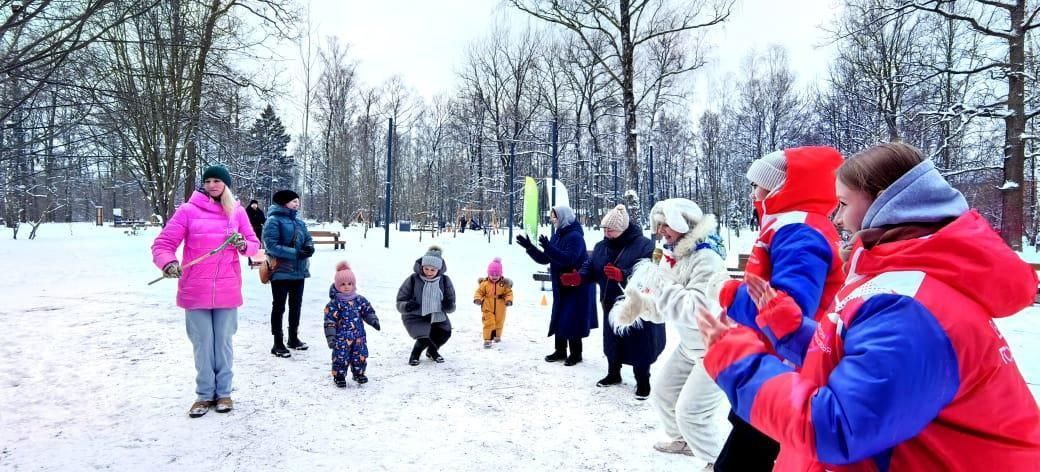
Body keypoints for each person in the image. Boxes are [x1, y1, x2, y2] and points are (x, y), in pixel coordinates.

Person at [699, 142, 1040, 471]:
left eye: (844, 204)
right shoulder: (904, 279)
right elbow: (860, 360)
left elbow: (837, 426)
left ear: (882, 202)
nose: (837, 217)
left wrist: (737, 360)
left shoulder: (908, 310)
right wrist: (789, 326)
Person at [713, 146, 846, 471]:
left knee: (744, 458)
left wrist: (732, 296)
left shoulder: (799, 231)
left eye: (758, 186)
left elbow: (789, 307)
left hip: (786, 366)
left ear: (780, 188)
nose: (752, 194)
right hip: (776, 360)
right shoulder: (789, 225)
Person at [608, 198, 728, 468]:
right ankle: (682, 441)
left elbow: (697, 310)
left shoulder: (706, 258)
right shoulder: (673, 254)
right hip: (690, 345)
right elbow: (664, 308)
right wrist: (641, 306)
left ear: (684, 223)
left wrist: (662, 286)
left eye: (666, 224)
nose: (661, 230)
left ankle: (718, 462)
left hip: (717, 347)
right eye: (658, 224)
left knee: (691, 412)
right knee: (662, 393)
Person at [151, 165, 260, 418]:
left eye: (217, 181)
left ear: (226, 185)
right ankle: (203, 396)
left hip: (227, 288)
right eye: (208, 180)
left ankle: (223, 393)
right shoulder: (188, 211)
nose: (212, 185)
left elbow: (253, 244)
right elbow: (164, 243)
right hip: (195, 289)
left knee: (222, 342)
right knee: (203, 343)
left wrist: (244, 244)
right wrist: (168, 262)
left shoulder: (238, 212)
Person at [581, 204, 665, 399]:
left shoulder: (644, 245)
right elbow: (591, 266)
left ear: (622, 229)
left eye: (610, 229)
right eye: (604, 229)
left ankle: (643, 381)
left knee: (639, 344)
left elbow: (649, 274)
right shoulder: (602, 246)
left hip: (636, 305)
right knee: (612, 341)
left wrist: (623, 275)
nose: (606, 232)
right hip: (609, 302)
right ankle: (613, 373)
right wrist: (580, 277)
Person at [516, 205, 597, 366]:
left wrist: (549, 248)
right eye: (552, 217)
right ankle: (560, 350)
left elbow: (570, 259)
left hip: (575, 285)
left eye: (555, 217)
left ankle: (576, 354)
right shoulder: (557, 236)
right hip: (561, 285)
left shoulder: (575, 237)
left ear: (563, 217)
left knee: (572, 319)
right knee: (560, 316)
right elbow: (546, 259)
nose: (553, 220)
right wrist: (530, 247)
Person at [263, 189, 314, 358]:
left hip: (299, 271)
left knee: (296, 306)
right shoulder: (273, 220)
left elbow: (307, 238)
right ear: (283, 202)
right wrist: (295, 253)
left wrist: (309, 247)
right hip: (281, 271)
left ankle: (293, 338)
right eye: (293, 201)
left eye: (297, 201)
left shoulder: (299, 222)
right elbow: (271, 245)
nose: (296, 203)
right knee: (279, 307)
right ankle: (277, 343)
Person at [397, 245, 457, 365]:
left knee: (444, 333)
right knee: (424, 336)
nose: (429, 272)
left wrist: (448, 305)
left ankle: (432, 351)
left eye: (432, 270)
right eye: (426, 268)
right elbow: (400, 300)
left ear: (439, 270)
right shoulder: (413, 279)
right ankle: (415, 355)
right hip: (415, 315)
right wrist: (407, 305)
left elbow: (451, 300)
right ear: (421, 267)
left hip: (437, 314)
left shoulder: (444, 280)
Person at [324, 261, 379, 388]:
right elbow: (329, 321)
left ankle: (359, 373)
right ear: (337, 286)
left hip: (358, 336)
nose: (346, 287)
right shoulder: (334, 304)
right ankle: (339, 376)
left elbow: (367, 311)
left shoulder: (359, 300)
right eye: (342, 284)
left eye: (349, 283)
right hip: (341, 338)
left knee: (359, 355)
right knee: (340, 357)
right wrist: (331, 337)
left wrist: (373, 320)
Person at [473, 257, 514, 348]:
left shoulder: (504, 284)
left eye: (497, 275)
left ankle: (497, 336)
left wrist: (509, 300)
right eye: (492, 275)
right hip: (487, 305)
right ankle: (487, 339)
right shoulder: (485, 284)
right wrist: (478, 299)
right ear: (488, 274)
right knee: (489, 322)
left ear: (500, 274)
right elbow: (479, 292)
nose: (494, 277)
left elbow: (508, 293)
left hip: (501, 306)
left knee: (499, 322)